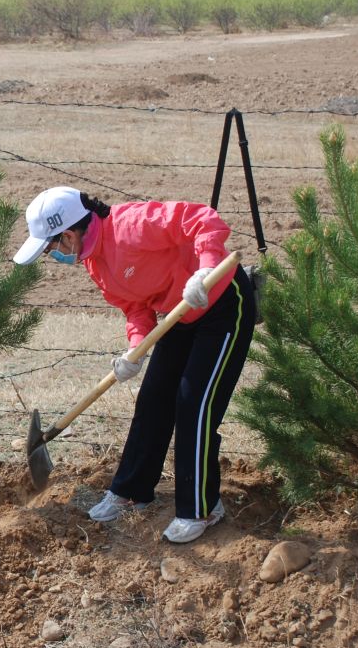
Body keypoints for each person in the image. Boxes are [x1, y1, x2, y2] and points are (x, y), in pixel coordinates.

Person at [13, 186, 256, 543]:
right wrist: (135, 348)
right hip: (180, 313)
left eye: (52, 248)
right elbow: (135, 307)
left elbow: (203, 219)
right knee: (153, 399)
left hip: (221, 302)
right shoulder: (95, 262)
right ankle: (131, 492)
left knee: (194, 404)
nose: (55, 256)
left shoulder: (131, 225)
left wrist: (204, 270)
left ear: (69, 234)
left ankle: (201, 508)